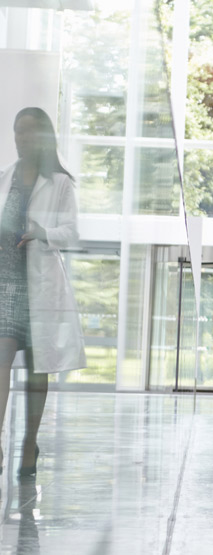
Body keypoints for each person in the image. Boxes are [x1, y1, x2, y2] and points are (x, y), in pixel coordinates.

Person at [0, 107, 86, 476]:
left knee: (38, 371)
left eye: (29, 132)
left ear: (44, 137)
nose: (21, 138)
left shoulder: (60, 183)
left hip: (40, 287)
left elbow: (72, 232)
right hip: (5, 284)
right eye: (18, 132)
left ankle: (29, 442)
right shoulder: (5, 178)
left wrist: (43, 232)